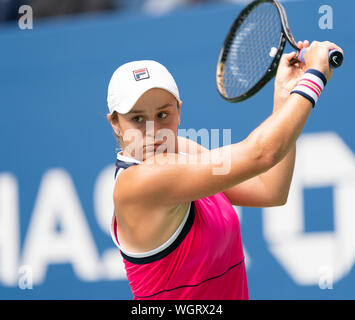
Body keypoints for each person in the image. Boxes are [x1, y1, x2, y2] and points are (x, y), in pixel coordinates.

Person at [106, 40, 343, 300]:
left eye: (163, 114)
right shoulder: (141, 183)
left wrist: (287, 96)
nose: (153, 131)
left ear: (179, 111)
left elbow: (271, 190)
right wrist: (315, 77)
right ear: (115, 123)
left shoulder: (183, 149)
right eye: (137, 119)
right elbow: (262, 153)